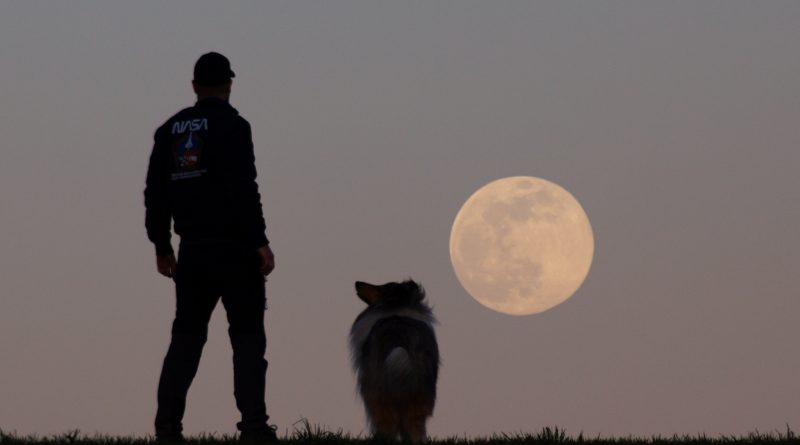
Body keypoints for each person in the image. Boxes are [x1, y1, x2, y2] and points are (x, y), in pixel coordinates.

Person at [144, 52, 277, 443]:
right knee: (248, 339)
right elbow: (243, 188)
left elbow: (155, 194)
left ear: (194, 86)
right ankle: (253, 428)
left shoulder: (168, 130)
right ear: (229, 85)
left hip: (193, 253)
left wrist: (162, 245)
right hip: (236, 250)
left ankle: (167, 430)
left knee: (185, 339)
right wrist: (260, 242)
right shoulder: (235, 126)